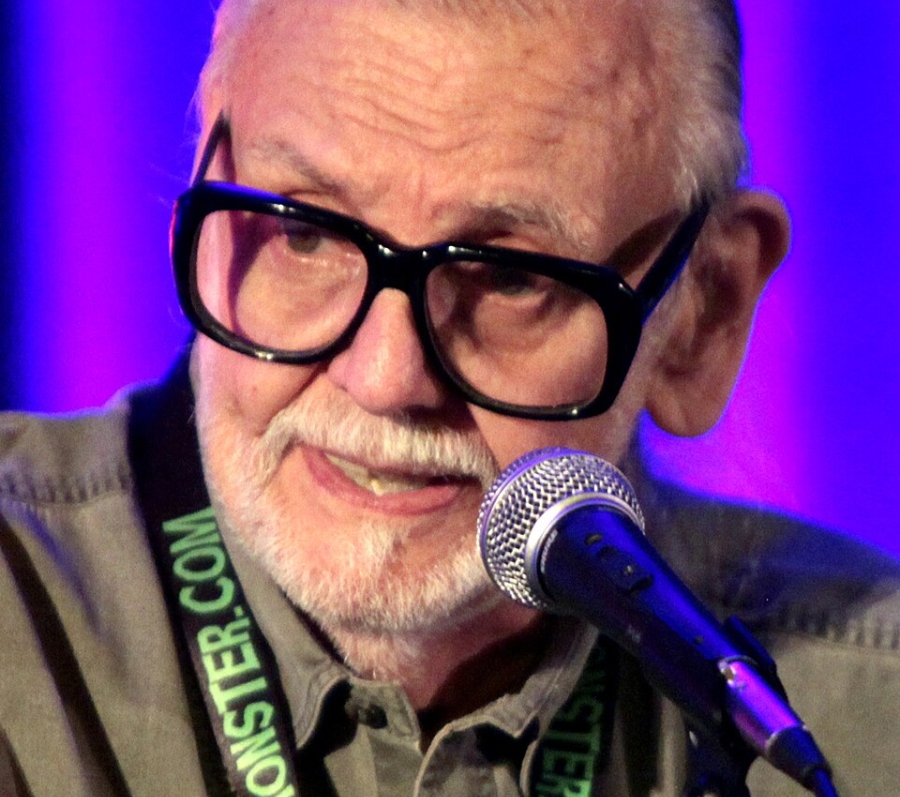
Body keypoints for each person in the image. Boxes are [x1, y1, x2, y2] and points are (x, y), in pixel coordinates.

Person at [1, 0, 898, 795]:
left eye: (507, 278)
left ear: (705, 310)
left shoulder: (863, 721)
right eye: (305, 232)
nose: (386, 379)